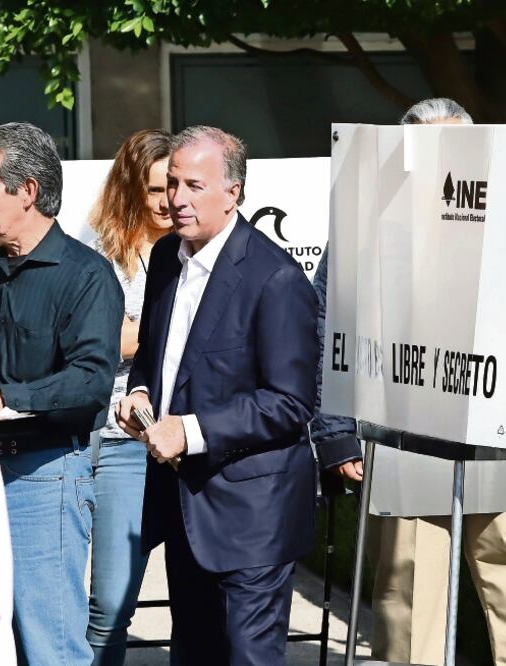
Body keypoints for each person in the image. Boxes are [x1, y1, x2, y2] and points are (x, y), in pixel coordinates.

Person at [310, 98, 506, 666]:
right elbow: (328, 321)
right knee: (408, 607)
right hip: (404, 441)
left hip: (503, 443)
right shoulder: (371, 219)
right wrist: (336, 432)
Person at [116, 125, 319, 665]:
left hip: (253, 514)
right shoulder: (164, 259)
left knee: (246, 657)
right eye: (172, 183)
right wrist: (139, 394)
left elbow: (291, 402)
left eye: (195, 186)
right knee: (194, 653)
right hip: (185, 506)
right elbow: (154, 353)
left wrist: (190, 429)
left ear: (233, 193)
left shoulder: (275, 279)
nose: (177, 199)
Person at [0, 122, 123, 664]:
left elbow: (91, 379)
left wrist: (1, 398)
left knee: (51, 645)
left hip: (45, 476)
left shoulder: (86, 276)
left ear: (27, 191)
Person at [85, 128, 173, 665]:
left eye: (177, 186)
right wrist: (160, 327)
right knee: (56, 600)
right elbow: (91, 342)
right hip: (76, 432)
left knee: (112, 605)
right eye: (156, 187)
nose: (168, 201)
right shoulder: (96, 249)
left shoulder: (189, 252)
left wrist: (133, 328)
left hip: (133, 443)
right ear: (129, 186)